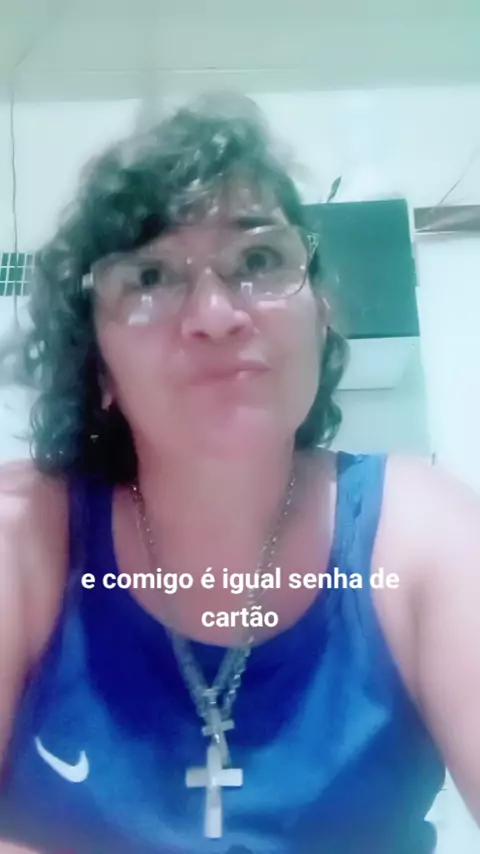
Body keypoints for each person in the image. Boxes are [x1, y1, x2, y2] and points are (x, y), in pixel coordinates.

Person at [0, 95, 479, 854]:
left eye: (258, 261)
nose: (216, 313)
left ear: (320, 314)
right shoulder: (21, 534)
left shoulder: (424, 537)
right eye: (150, 276)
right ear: (100, 366)